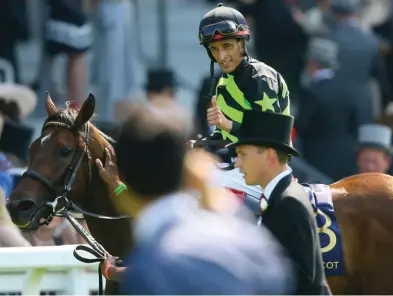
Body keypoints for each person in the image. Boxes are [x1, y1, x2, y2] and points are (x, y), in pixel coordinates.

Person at [95, 102, 295, 294]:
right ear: (188, 169)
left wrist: (115, 186)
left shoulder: (148, 269)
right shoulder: (244, 240)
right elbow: (277, 273)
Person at [230, 110, 331, 295]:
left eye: (243, 154)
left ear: (269, 156)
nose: (237, 163)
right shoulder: (283, 196)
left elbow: (298, 283)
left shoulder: (288, 203)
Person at [197, 3, 292, 160]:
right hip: (239, 165)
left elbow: (270, 136)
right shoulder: (224, 81)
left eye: (227, 46)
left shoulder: (261, 78)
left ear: (242, 43)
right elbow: (227, 139)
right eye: (214, 49)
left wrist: (228, 125)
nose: (221, 57)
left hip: (265, 171)